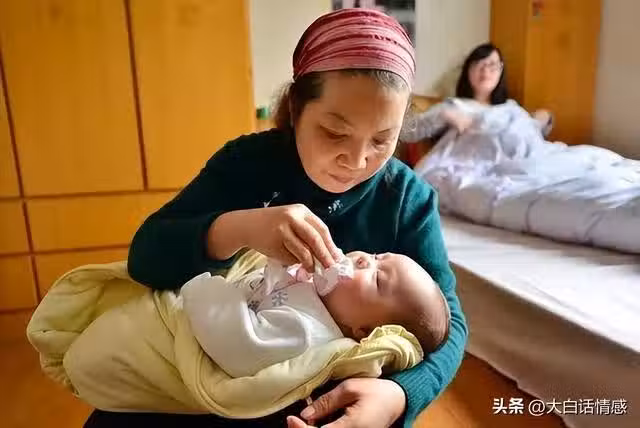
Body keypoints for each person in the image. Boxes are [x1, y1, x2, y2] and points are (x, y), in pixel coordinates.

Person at [84, 8, 467, 428]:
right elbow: (145, 258)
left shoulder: (407, 200)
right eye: (334, 133)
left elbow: (447, 323)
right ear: (296, 108)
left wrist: (400, 394)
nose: (357, 160)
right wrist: (236, 229)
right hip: (185, 381)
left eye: (382, 140)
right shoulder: (248, 163)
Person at [182, 251, 451, 379]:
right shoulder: (316, 287)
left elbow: (239, 342)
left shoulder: (306, 332)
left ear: (364, 331)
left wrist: (204, 290)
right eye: (378, 256)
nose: (365, 260)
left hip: (195, 319)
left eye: (377, 279)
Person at [400, 43, 553, 143]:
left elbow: (528, 139)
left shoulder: (510, 107)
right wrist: (443, 115)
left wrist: (542, 120)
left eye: (492, 65)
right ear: (467, 71)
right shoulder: (454, 106)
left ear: (501, 70)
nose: (485, 70)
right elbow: (408, 134)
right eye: (479, 64)